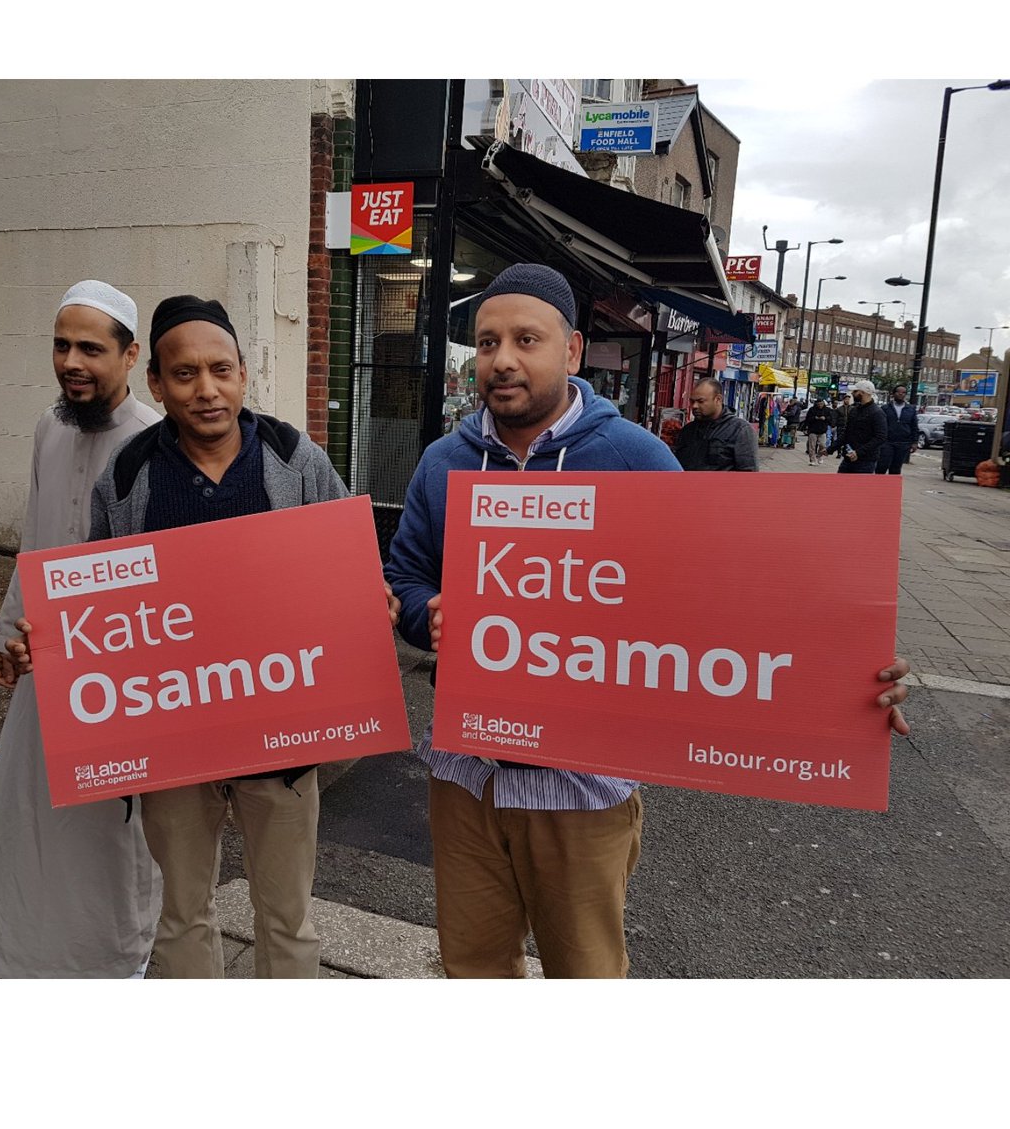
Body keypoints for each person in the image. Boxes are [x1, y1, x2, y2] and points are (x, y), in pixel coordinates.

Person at [385, 262, 914, 980]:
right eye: (486, 342)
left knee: (587, 975)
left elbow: (719, 602)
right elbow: (407, 576)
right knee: (473, 971)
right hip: (466, 777)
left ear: (572, 351)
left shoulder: (636, 458)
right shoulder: (444, 462)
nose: (502, 359)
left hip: (580, 790)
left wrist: (847, 673)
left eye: (526, 340)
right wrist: (430, 616)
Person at [80, 294, 392, 979]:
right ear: (155, 383)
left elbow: (351, 567)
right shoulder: (127, 479)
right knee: (182, 915)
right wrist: (50, 643)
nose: (206, 389)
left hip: (282, 741)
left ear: (244, 374)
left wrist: (374, 602)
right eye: (184, 373)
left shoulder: (295, 459)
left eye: (221, 369)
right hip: (175, 741)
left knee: (287, 917)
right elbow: (97, 609)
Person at [0, 280, 162, 978]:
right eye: (62, 346)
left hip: (117, 674)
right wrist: (5, 632)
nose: (72, 362)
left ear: (130, 356)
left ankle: (118, 957)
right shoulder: (48, 427)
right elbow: (34, 541)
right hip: (42, 656)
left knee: (110, 824)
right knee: (27, 808)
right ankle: (17, 944)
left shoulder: (155, 443)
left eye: (91, 349)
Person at [673, 377, 759, 471]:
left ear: (718, 399)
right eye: (692, 401)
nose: (694, 406)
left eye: (701, 401)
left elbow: (748, 472)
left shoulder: (740, 430)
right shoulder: (687, 430)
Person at [835, 379, 886, 474]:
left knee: (860, 484)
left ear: (862, 392)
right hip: (848, 457)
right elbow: (847, 433)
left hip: (866, 461)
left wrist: (859, 452)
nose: (852, 394)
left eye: (855, 391)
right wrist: (831, 448)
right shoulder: (854, 410)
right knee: (840, 482)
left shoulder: (877, 413)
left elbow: (880, 437)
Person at [876, 384, 918, 474]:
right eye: (898, 392)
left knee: (896, 468)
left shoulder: (910, 409)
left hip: (903, 443)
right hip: (887, 442)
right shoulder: (885, 408)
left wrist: (914, 442)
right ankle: (879, 482)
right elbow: (879, 425)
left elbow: (914, 426)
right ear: (893, 394)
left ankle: (892, 483)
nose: (901, 394)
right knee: (882, 466)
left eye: (903, 393)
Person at [802, 397, 832, 466]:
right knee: (812, 446)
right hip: (813, 430)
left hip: (822, 430)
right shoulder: (812, 410)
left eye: (821, 404)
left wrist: (825, 418)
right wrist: (815, 418)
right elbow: (807, 419)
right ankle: (812, 460)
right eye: (819, 404)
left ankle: (819, 455)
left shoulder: (827, 410)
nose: (820, 405)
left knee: (823, 445)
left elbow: (830, 419)